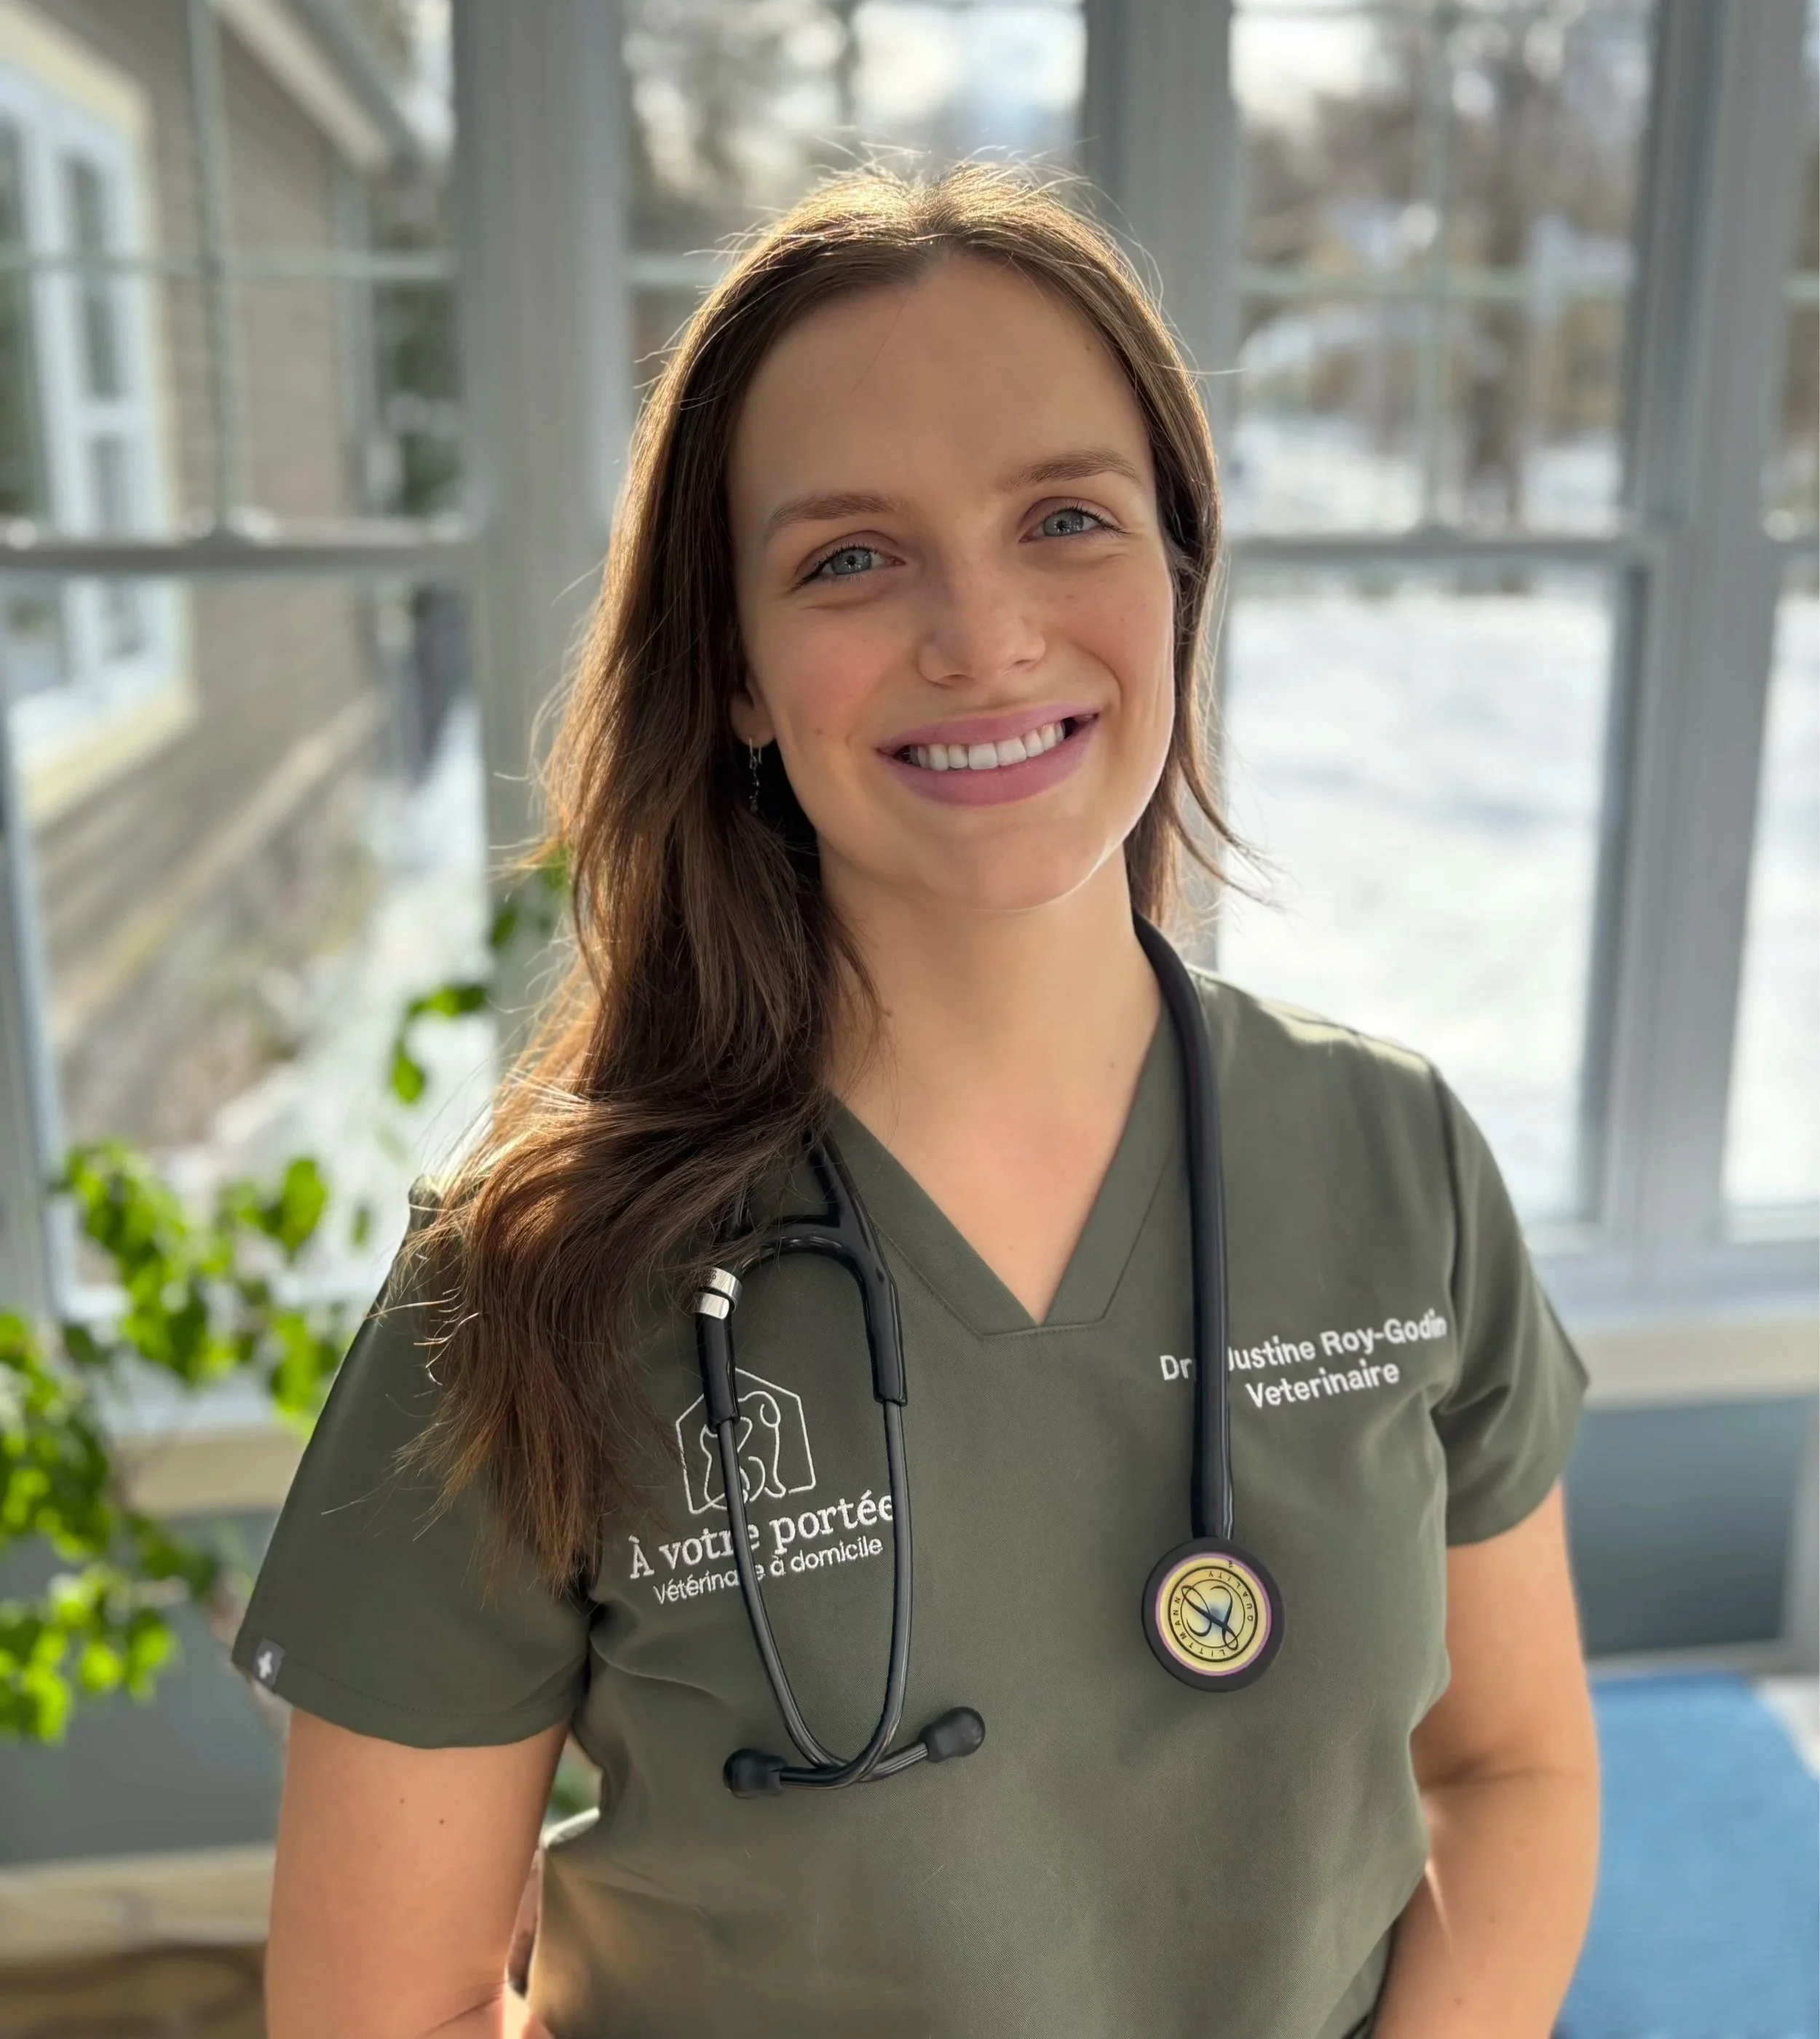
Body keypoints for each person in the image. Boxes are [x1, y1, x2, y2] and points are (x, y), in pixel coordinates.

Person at [234, 165, 1599, 2039]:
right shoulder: (530, 1285)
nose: (982, 635)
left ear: (1177, 571)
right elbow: (379, 2011)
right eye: (848, 557)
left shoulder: (1395, 1164)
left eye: (1062, 516)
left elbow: (1512, 1774)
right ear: (729, 670)